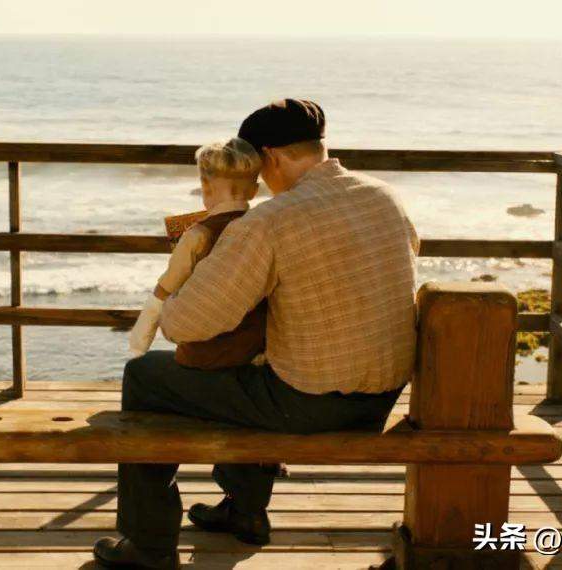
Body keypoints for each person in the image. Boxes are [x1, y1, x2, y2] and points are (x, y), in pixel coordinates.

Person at [93, 99, 420, 569]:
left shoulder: (272, 220)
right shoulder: (384, 196)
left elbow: (186, 323)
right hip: (381, 400)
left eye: (258, 169)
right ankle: (244, 510)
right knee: (256, 360)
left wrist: (184, 281)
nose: (260, 182)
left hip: (308, 404)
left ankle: (148, 546)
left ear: (270, 157)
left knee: (146, 376)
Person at [127, 137, 267, 370]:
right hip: (251, 352)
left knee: (141, 368)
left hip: (203, 357)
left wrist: (138, 345)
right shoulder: (262, 228)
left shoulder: (198, 235)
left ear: (205, 186)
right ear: (254, 191)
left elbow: (163, 291)